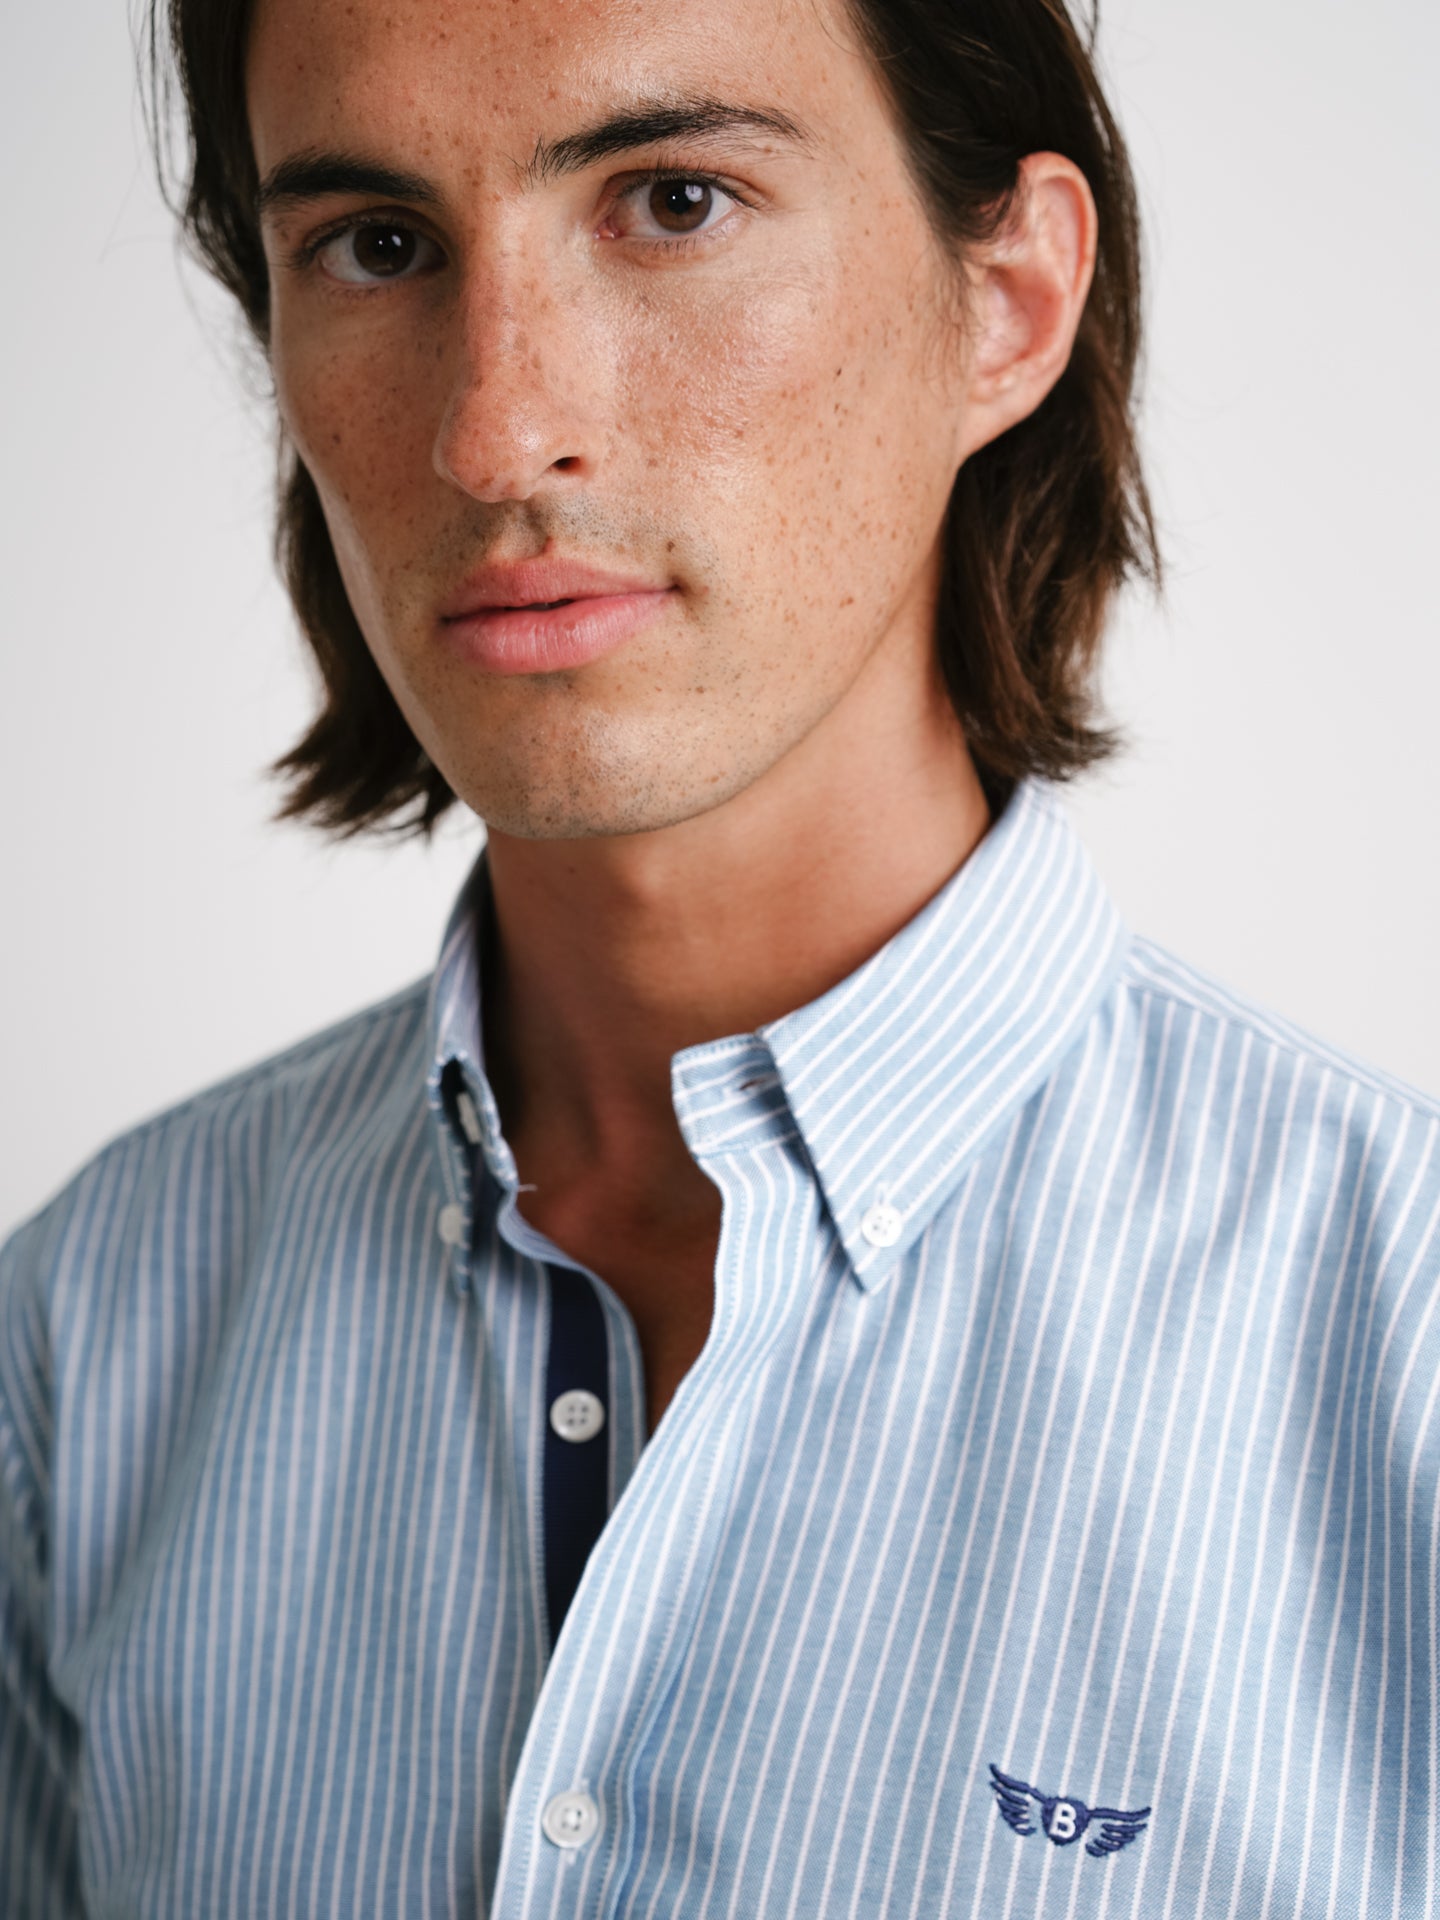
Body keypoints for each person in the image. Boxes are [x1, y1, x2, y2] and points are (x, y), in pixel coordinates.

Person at [2, 0, 1437, 1912]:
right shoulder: (84, 1337)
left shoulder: (1399, 1355)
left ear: (1008, 300)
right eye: (378, 244)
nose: (495, 433)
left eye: (674, 201)